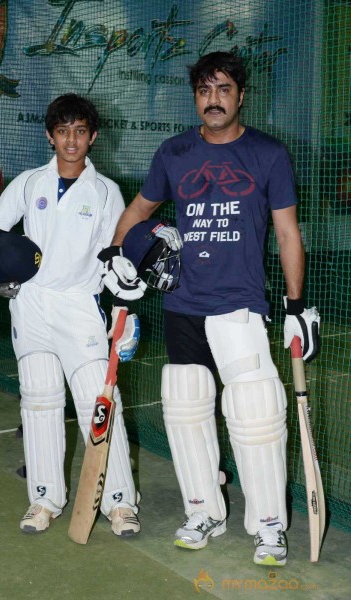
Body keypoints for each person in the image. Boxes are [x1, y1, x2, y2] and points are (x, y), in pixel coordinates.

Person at [98, 52, 320, 566]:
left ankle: (268, 524)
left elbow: (288, 232)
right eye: (203, 90)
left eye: (222, 89)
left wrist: (296, 305)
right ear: (195, 98)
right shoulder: (174, 152)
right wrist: (115, 257)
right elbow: (138, 210)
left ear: (241, 95)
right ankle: (203, 509)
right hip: (183, 304)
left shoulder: (268, 154)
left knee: (257, 414)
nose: (212, 99)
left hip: (238, 305)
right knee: (184, 408)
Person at [0, 93, 144, 537]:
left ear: (93, 137)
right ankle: (43, 501)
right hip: (32, 305)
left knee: (99, 404)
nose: (71, 141)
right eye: (63, 132)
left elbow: (116, 258)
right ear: (50, 135)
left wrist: (124, 313)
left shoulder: (105, 193)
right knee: (39, 403)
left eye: (80, 132)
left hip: (81, 307)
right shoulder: (28, 183)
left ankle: (119, 503)